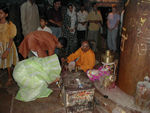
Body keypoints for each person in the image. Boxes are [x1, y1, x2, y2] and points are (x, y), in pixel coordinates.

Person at [0, 5, 19, 86]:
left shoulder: (10, 25)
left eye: (1, 13)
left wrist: (7, 50)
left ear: (6, 15)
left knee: (8, 62)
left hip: (8, 46)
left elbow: (11, 39)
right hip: (0, 45)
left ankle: (9, 78)